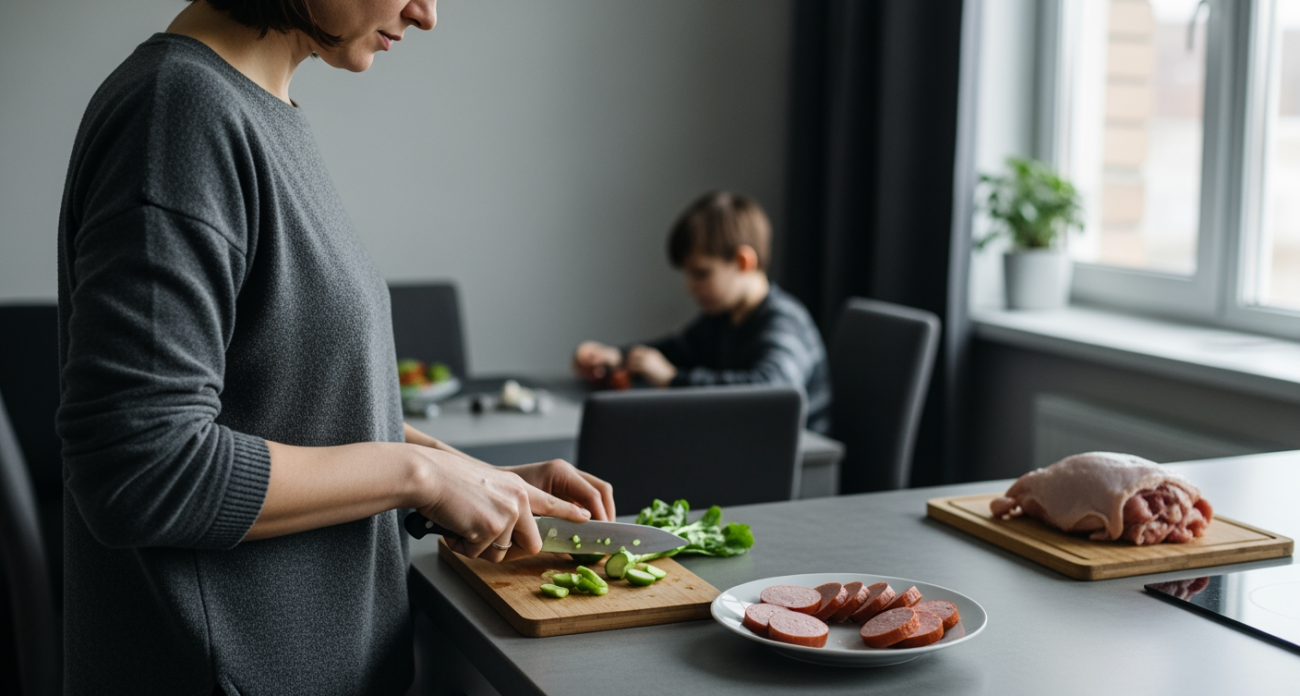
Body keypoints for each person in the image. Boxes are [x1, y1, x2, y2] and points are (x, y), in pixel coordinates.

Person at [55, 1, 614, 694]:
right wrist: (419, 477)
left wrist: (469, 477)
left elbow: (291, 397)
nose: (427, 13)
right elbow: (142, 469)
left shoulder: (253, 109)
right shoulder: (179, 114)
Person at [572, 191, 832, 433]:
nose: (690, 287)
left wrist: (672, 379)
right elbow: (677, 350)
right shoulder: (721, 319)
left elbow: (774, 392)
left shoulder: (784, 322)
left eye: (701, 274)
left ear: (743, 262)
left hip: (799, 457)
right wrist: (616, 356)